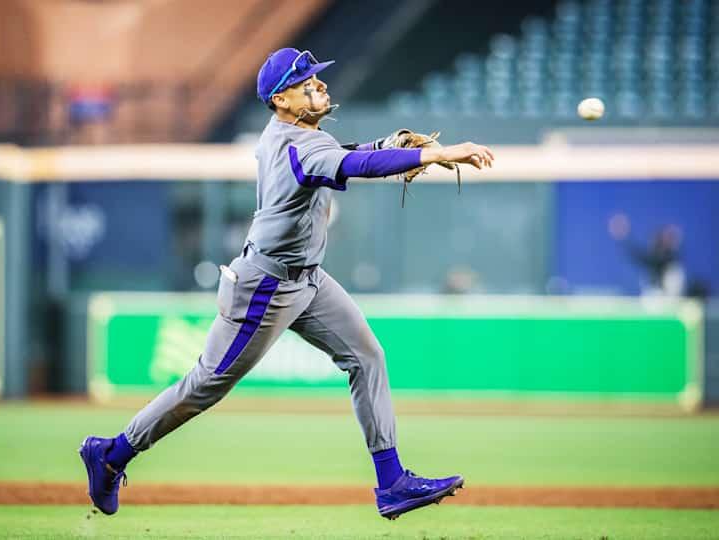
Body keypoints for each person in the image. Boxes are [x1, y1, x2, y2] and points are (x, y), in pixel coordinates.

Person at [79, 48, 495, 520]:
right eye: (306, 83)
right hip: (266, 287)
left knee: (366, 357)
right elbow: (353, 166)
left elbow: (348, 155)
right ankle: (111, 453)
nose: (318, 86)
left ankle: (392, 482)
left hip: (308, 281)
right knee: (205, 385)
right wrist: (434, 152)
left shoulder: (302, 136)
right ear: (280, 99)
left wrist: (386, 147)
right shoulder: (299, 144)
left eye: (317, 79)